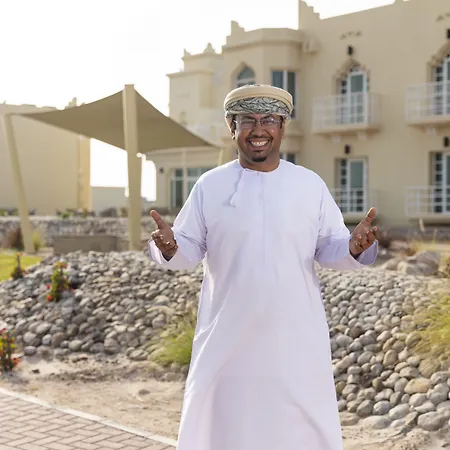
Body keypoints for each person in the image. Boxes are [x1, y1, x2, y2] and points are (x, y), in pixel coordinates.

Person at [147, 84, 378, 450]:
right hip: (228, 338)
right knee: (225, 428)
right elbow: (188, 251)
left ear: (282, 127)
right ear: (232, 128)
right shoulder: (210, 185)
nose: (258, 130)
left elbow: (329, 248)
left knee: (298, 431)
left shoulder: (309, 185)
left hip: (295, 339)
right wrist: (170, 246)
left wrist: (354, 246)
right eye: (247, 120)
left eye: (269, 119)